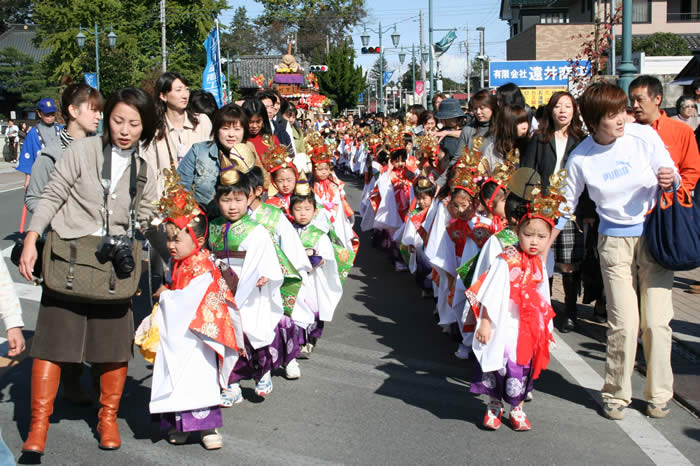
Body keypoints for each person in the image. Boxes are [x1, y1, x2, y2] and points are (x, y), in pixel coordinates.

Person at [17, 87, 158, 453]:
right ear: (106, 118)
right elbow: (52, 194)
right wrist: (32, 237)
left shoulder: (145, 169)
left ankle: (107, 419)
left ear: (145, 127)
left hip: (114, 270)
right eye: (117, 120)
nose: (124, 130)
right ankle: (38, 427)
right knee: (50, 346)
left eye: (134, 123)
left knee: (113, 349)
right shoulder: (81, 151)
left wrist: (170, 234)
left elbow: (147, 218)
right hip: (69, 259)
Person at [553, 82, 678, 421]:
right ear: (593, 123)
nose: (622, 118)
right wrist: (542, 244)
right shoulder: (581, 158)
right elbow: (564, 205)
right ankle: (616, 394)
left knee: (656, 322)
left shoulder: (644, 136)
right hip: (612, 242)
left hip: (653, 237)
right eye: (612, 115)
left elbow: (673, 172)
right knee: (623, 322)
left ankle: (658, 394)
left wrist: (670, 178)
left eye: (622, 110)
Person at [147, 183, 240, 450]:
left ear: (197, 239)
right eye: (169, 239)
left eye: (177, 239)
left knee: (199, 377)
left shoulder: (202, 263)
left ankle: (208, 427)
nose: (171, 245)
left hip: (200, 333)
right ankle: (182, 426)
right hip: (181, 332)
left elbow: (192, 300)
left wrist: (167, 296)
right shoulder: (179, 262)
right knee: (178, 377)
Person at [467, 198, 557, 431]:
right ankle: (494, 405)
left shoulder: (539, 263)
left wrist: (545, 327)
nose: (534, 241)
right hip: (503, 323)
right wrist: (485, 323)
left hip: (526, 327)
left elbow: (543, 296)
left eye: (541, 237)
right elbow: (491, 293)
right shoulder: (506, 259)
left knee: (522, 367)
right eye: (529, 235)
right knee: (499, 364)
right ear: (518, 232)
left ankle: (517, 408)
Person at [208, 149, 284, 401]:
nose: (232, 206)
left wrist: (265, 275)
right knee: (227, 334)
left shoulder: (257, 230)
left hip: (250, 288)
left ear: (248, 198)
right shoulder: (214, 226)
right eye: (226, 200)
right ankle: (232, 384)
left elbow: (269, 260)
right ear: (217, 200)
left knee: (252, 332)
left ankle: (263, 373)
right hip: (223, 285)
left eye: (239, 200)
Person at [520, 91, 588, 332]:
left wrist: (587, 210)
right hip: (541, 207)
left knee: (569, 263)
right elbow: (526, 172)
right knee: (542, 258)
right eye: (558, 106)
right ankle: (543, 308)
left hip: (570, 209)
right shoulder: (539, 139)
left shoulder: (582, 141)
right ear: (550, 110)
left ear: (574, 111)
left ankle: (570, 312)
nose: (562, 111)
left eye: (567, 106)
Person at [26, 83, 104, 213]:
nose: (99, 116)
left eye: (100, 111)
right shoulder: (50, 155)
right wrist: (60, 219)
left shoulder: (104, 147)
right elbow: (33, 198)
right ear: (73, 110)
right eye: (93, 110)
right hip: (64, 232)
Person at [178, 103, 260, 215]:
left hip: (238, 224)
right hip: (204, 220)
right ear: (217, 130)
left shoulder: (248, 155)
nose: (231, 134)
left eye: (237, 129)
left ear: (244, 131)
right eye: (225, 128)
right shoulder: (199, 151)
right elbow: (180, 188)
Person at [630, 75, 700, 193]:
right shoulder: (628, 133)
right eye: (632, 100)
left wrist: (676, 193)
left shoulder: (682, 131)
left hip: (670, 202)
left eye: (640, 99)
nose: (635, 105)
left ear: (657, 99)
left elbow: (692, 171)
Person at [146, 72, 212, 189]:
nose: (185, 95)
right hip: (166, 198)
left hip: (198, 197)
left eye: (186, 89)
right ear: (163, 96)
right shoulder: (154, 128)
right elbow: (150, 172)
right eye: (178, 90)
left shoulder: (202, 122)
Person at [16, 98, 62, 190]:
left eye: (52, 114)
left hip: (60, 175)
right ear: (39, 114)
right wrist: (28, 179)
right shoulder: (33, 133)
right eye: (47, 114)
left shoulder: (61, 130)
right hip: (41, 175)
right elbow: (28, 156)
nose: (50, 117)